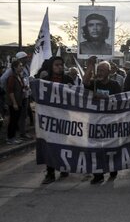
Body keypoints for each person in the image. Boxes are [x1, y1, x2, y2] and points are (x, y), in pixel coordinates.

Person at [83, 57, 122, 184]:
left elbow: (118, 101)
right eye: (98, 70)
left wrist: (101, 97)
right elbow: (85, 82)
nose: (100, 72)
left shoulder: (114, 85)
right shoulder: (95, 83)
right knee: (96, 148)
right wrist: (90, 65)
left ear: (109, 72)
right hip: (95, 121)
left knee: (111, 147)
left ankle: (112, 168)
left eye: (103, 70)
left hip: (110, 121)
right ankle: (98, 175)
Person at [41, 56, 75, 184]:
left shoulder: (68, 79)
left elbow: (75, 96)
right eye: (57, 65)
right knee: (50, 145)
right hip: (50, 120)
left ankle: (63, 167)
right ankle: (50, 173)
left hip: (65, 118)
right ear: (51, 66)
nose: (60, 67)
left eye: (61, 65)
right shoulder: (45, 81)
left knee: (64, 144)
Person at [5, 60, 27, 144]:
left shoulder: (19, 76)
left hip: (19, 101)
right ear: (15, 67)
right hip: (14, 103)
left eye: (22, 66)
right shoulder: (12, 78)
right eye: (20, 66)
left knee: (16, 120)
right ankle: (10, 138)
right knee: (13, 121)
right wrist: (14, 103)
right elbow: (11, 91)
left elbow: (20, 88)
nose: (22, 67)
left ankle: (13, 137)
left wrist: (25, 88)